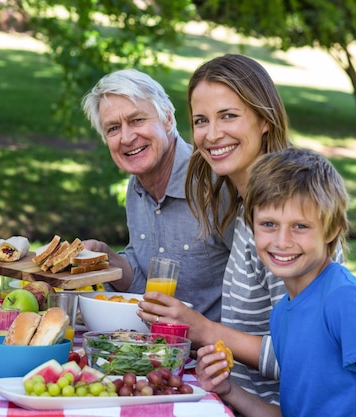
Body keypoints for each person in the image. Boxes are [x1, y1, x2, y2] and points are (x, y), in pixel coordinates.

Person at [137, 54, 345, 409]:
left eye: (228, 115)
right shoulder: (245, 207)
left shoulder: (285, 229)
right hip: (236, 401)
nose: (212, 134)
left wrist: (202, 328)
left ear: (264, 119)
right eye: (201, 120)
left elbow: (304, 357)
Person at [195, 147, 356, 417]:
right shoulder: (282, 314)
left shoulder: (342, 299)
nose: (282, 242)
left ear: (332, 230)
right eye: (268, 224)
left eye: (300, 226)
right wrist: (229, 390)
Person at [80, 68, 232, 322]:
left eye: (137, 120)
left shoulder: (216, 184)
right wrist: (107, 258)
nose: (127, 138)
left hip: (218, 355)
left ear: (168, 120)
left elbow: (263, 286)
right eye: (113, 128)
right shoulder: (136, 186)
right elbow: (144, 288)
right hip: (161, 350)